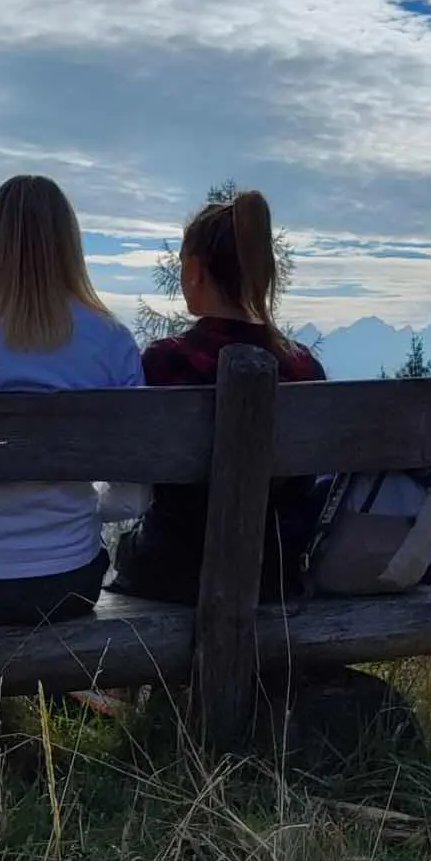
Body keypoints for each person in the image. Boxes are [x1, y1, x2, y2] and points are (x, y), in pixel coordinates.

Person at [0, 173, 143, 625]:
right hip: (68, 582)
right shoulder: (113, 340)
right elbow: (133, 498)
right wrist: (84, 512)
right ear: (70, 245)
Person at [109, 189, 325, 606]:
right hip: (273, 574)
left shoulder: (164, 362)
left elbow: (134, 474)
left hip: (174, 569)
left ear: (194, 271)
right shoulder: (304, 369)